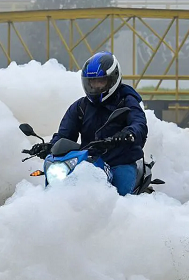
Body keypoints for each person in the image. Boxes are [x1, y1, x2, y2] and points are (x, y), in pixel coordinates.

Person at [32, 51, 148, 196]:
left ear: (113, 79)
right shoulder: (80, 107)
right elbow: (64, 135)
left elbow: (139, 124)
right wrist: (49, 147)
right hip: (89, 163)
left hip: (120, 162)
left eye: (101, 81)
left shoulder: (127, 102)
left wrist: (127, 134)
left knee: (120, 197)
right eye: (92, 82)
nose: (95, 86)